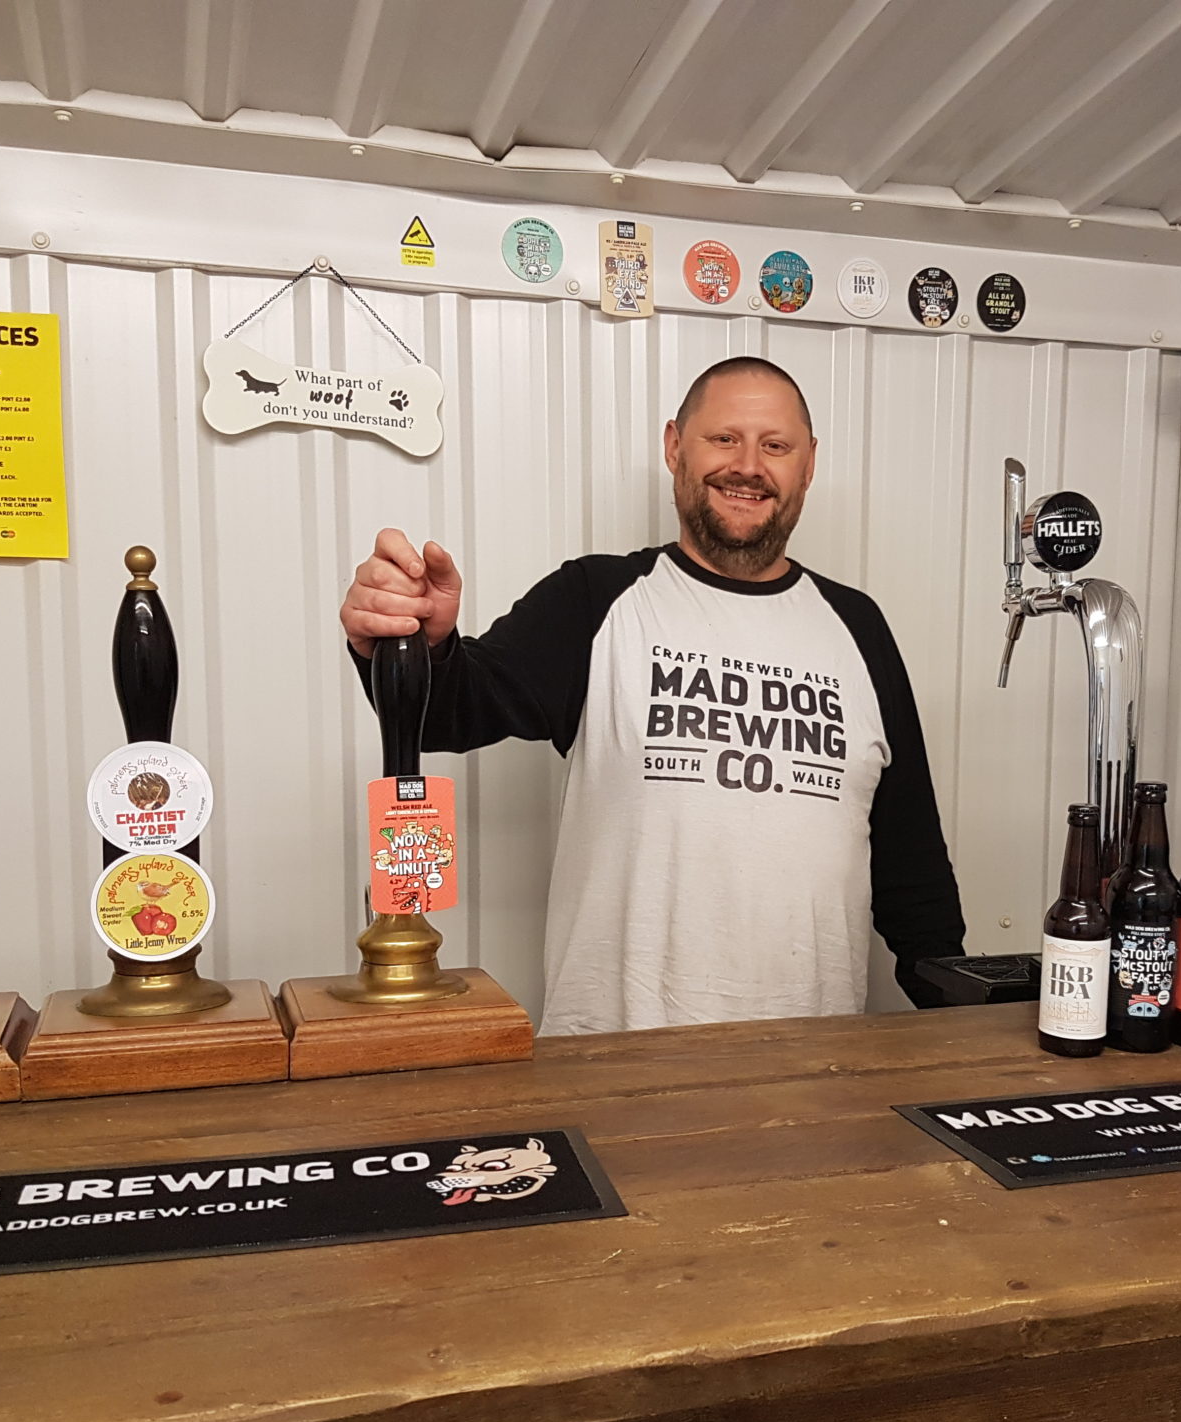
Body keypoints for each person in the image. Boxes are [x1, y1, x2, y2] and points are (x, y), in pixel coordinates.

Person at [339, 356, 964, 1035]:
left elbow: (911, 869)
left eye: (775, 446)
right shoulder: (593, 601)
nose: (748, 466)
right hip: (612, 1073)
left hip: (811, 1075)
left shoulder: (858, 627)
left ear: (808, 465)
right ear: (675, 447)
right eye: (723, 439)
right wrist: (415, 643)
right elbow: (454, 708)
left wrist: (967, 1030)